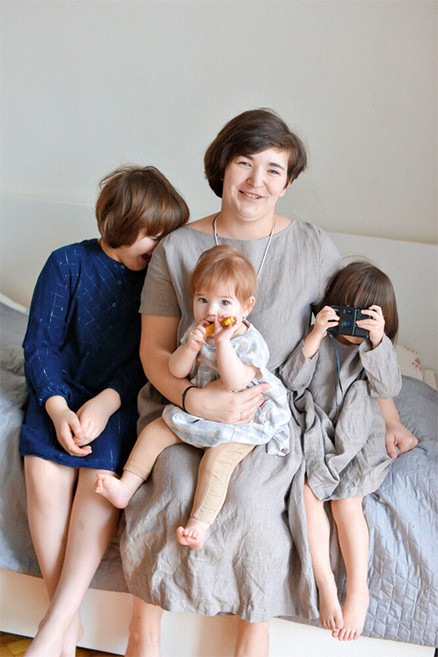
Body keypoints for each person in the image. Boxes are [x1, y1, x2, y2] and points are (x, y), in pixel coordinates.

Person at [120, 109, 418, 657]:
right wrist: (194, 398)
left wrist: (390, 420)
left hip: (274, 416)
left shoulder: (314, 249)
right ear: (221, 167)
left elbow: (347, 350)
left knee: (252, 502)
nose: (257, 181)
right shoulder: (178, 247)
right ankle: (145, 632)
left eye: (274, 170)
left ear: (287, 182)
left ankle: (252, 635)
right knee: (176, 490)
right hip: (186, 404)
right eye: (245, 163)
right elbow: (153, 350)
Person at [19, 165, 189, 657]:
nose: (160, 246)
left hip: (120, 396)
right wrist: (57, 409)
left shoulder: (157, 282)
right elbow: (41, 346)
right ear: (122, 222)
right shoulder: (66, 263)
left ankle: (51, 631)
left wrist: (107, 400)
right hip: (60, 392)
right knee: (44, 469)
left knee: (97, 476)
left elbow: (147, 360)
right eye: (153, 234)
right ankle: (66, 623)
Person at [96, 244, 291, 550]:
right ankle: (125, 487)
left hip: (242, 419)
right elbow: (176, 370)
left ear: (246, 307)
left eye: (225, 302)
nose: (212, 311)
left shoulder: (250, 342)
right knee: (155, 431)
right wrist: (190, 347)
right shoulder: (197, 330)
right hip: (201, 408)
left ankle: (199, 524)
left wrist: (222, 344)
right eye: (203, 300)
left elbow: (234, 381)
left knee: (216, 462)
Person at [280, 261, 411, 642]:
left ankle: (358, 590)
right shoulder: (320, 340)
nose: (354, 324)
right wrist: (315, 334)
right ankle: (324, 584)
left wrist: (378, 341)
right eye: (347, 312)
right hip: (321, 430)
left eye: (364, 316)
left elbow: (388, 387)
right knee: (308, 494)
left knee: (346, 501)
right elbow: (291, 382)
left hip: (361, 434)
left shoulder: (376, 350)